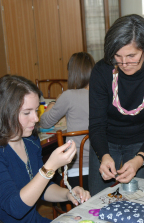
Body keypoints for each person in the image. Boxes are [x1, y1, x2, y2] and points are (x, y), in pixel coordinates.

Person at [0, 75, 90, 222]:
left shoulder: (30, 140)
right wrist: (50, 167)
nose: (36, 118)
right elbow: (15, 208)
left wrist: (67, 194)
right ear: (5, 112)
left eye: (36, 110)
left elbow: (40, 187)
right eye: (27, 112)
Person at [89, 14, 144, 195]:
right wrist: (104, 155)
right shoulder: (102, 72)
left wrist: (138, 160)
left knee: (135, 199)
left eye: (131, 56)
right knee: (98, 198)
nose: (124, 63)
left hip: (142, 144)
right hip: (105, 141)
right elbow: (96, 125)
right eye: (117, 56)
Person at [40, 52, 95, 190]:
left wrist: (54, 102)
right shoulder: (102, 95)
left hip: (76, 174)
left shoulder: (68, 96)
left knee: (45, 176)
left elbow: (45, 122)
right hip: (100, 169)